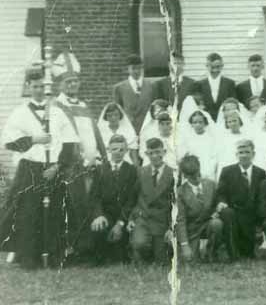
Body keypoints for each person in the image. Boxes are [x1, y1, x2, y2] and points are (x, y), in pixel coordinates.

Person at [0, 67, 79, 269]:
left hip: (52, 168)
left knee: (56, 210)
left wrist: (57, 166)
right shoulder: (20, 113)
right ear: (28, 87)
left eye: (42, 86)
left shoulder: (57, 112)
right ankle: (29, 257)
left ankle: (55, 255)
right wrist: (34, 139)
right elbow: (8, 142)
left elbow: (69, 143)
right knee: (28, 212)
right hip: (30, 168)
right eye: (35, 86)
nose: (39, 90)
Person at [50, 51, 110, 263]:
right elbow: (60, 138)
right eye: (68, 82)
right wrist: (77, 158)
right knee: (75, 207)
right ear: (60, 85)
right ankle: (76, 250)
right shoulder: (57, 107)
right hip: (72, 166)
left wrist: (101, 155)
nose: (72, 85)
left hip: (91, 164)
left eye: (75, 81)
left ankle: (91, 248)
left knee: (92, 203)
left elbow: (94, 134)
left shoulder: (83, 106)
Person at [216, 139, 266, 261]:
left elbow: (262, 197)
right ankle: (233, 254)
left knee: (248, 252)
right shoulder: (227, 171)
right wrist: (222, 202)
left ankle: (250, 246)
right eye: (240, 152)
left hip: (251, 212)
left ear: (253, 154)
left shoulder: (260, 173)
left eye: (247, 152)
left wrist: (259, 221)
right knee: (228, 213)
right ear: (236, 154)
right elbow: (221, 192)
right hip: (233, 210)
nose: (243, 155)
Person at [128, 138, 176, 264]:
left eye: (158, 152)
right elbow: (132, 198)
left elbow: (176, 204)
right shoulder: (140, 172)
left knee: (161, 259)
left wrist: (171, 228)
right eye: (151, 153)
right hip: (143, 218)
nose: (155, 156)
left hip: (162, 222)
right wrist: (130, 219)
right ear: (146, 154)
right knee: (139, 244)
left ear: (164, 152)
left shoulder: (173, 174)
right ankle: (139, 249)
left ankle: (159, 249)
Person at [95, 134, 139, 264]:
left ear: (126, 151)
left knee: (121, 255)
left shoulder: (132, 170)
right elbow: (95, 196)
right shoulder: (100, 169)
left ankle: (122, 254)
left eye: (121, 150)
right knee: (98, 227)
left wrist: (120, 223)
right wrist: (99, 215)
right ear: (109, 150)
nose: (118, 153)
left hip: (123, 215)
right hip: (106, 214)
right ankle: (100, 257)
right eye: (114, 149)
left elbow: (132, 200)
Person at [176, 155, 223, 262]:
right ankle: (192, 250)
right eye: (190, 175)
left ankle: (212, 253)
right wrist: (184, 245)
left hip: (207, 224)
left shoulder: (211, 185)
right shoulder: (180, 192)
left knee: (217, 224)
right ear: (185, 175)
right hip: (191, 229)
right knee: (191, 260)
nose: (195, 177)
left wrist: (217, 210)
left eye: (196, 172)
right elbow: (180, 220)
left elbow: (218, 202)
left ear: (199, 168)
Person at [177, 96, 219, 181]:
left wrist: (207, 171)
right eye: (195, 122)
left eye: (200, 122)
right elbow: (183, 155)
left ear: (205, 123)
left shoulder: (211, 138)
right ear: (191, 124)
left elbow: (214, 156)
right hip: (191, 171)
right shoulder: (187, 138)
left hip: (208, 171)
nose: (198, 125)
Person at [112, 54, 154, 134]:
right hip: (129, 130)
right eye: (133, 68)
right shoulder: (119, 88)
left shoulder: (150, 86)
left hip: (147, 130)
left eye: (139, 68)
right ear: (128, 69)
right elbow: (118, 112)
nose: (136, 71)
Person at [194, 52, 237, 121]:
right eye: (212, 67)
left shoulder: (230, 83)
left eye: (218, 67)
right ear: (207, 66)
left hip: (224, 121)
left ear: (222, 66)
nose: (215, 70)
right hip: (206, 122)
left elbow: (233, 104)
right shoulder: (199, 84)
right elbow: (197, 106)